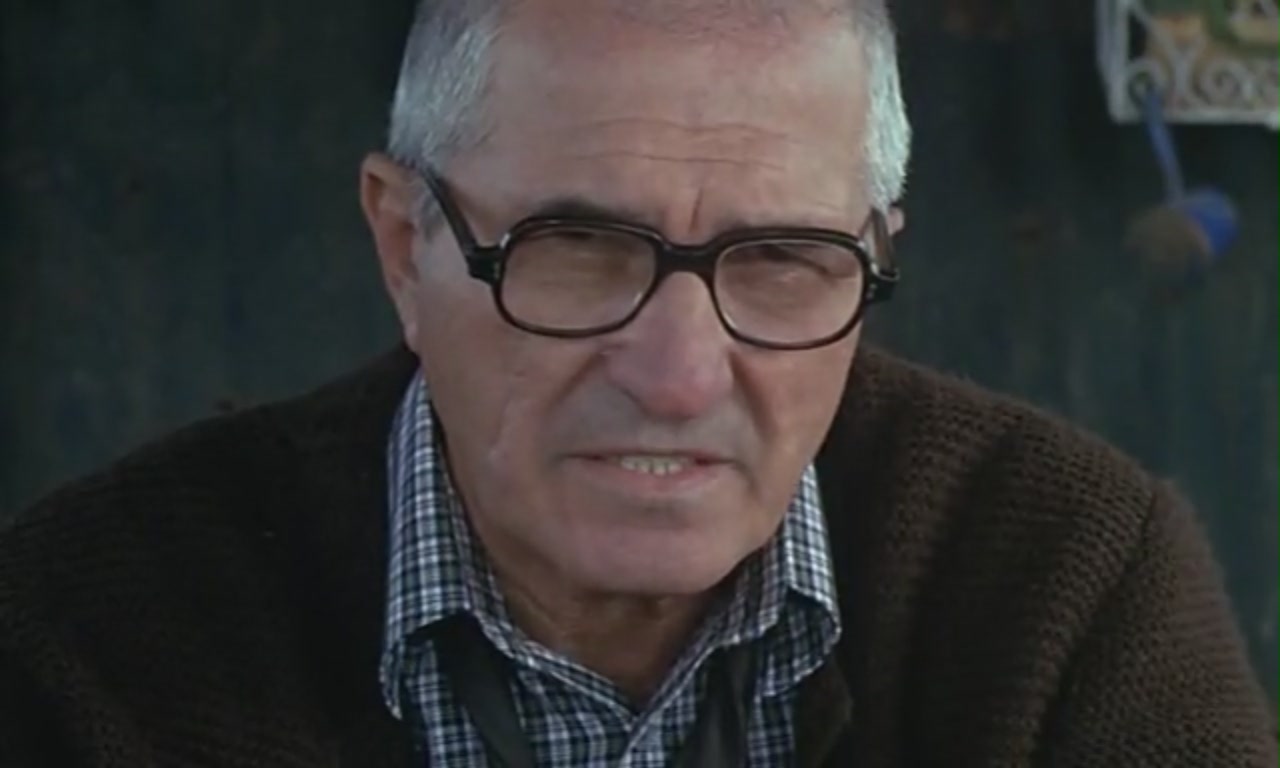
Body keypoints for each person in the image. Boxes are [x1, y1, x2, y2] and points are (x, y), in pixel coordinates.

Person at [1, 0, 1274, 765]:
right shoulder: (85, 635)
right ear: (402, 246)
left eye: (781, 260)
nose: (675, 377)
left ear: (874, 253)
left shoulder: (1070, 589)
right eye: (575, 249)